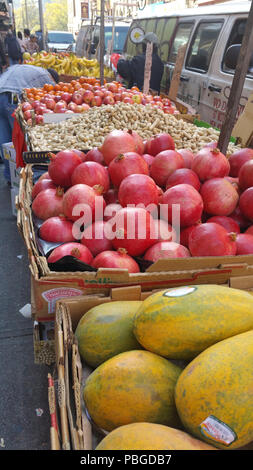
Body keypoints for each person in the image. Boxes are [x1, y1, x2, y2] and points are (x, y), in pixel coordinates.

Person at [0, 65, 59, 183]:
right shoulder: (45, 76)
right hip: (13, 98)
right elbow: (54, 93)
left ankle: (9, 176)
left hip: (1, 93)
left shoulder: (33, 69)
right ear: (52, 77)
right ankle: (21, 178)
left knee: (5, 140)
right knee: (19, 141)